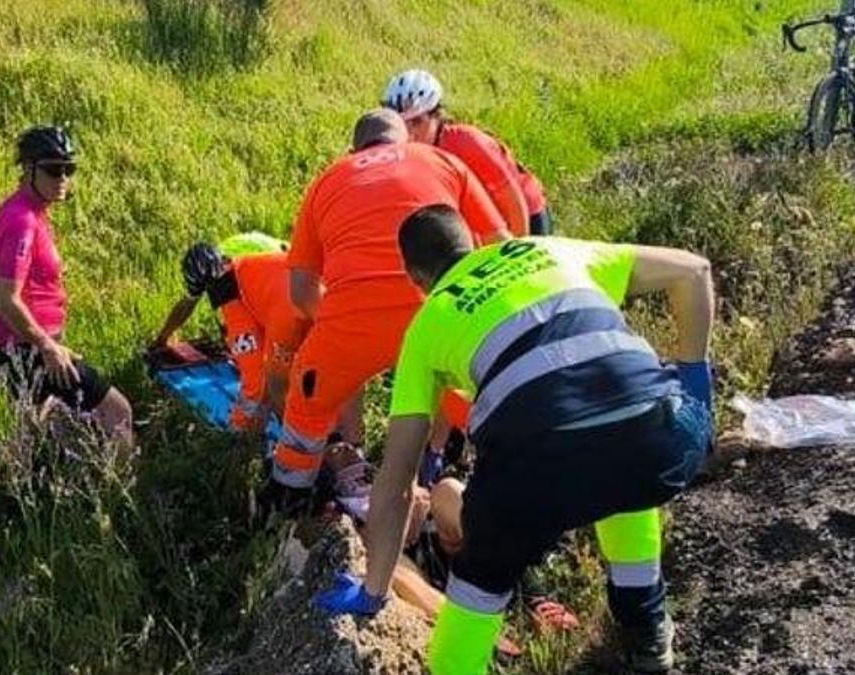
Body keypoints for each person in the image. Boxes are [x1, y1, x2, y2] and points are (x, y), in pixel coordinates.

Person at [316, 204, 714, 674]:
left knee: (478, 585)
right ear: (475, 244)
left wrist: (372, 591)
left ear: (415, 279)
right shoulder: (550, 251)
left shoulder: (428, 324)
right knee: (619, 448)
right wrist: (695, 381)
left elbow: (397, 477)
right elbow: (694, 270)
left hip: (534, 475)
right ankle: (647, 631)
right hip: (663, 441)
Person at [266, 109, 511, 508]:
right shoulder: (442, 161)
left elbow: (300, 290)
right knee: (479, 405)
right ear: (407, 143)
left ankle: (289, 509)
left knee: (306, 408)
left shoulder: (327, 180)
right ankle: (497, 493)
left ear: (352, 151)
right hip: (436, 313)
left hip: (349, 323)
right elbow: (499, 242)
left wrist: (343, 323)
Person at [0, 125, 134, 447]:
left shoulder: (29, 212)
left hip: (23, 346)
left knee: (33, 428)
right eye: (53, 169)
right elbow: (4, 298)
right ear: (28, 169)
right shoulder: (21, 221)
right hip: (27, 348)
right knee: (117, 412)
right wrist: (47, 347)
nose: (62, 177)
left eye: (69, 169)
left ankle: (26, 487)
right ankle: (118, 496)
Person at [382, 69, 553, 236]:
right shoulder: (404, 152)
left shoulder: (466, 142)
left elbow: (511, 197)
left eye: (417, 122)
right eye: (402, 123)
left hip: (526, 214)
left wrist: (519, 248)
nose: (409, 131)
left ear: (436, 115)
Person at [168, 243, 307, 428]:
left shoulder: (230, 298)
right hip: (326, 297)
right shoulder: (252, 265)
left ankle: (294, 439)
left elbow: (254, 379)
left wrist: (238, 426)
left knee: (275, 383)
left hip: (291, 316)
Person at [149, 232, 286, 352]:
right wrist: (163, 336)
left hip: (283, 266)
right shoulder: (210, 262)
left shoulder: (237, 270)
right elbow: (187, 303)